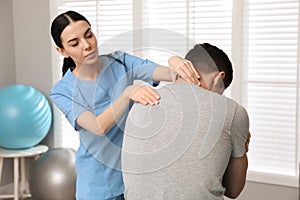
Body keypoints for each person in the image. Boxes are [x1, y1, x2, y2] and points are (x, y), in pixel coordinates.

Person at [49, 10, 200, 200]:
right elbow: (98, 126)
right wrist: (128, 93)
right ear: (62, 51)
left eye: (89, 35)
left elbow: (173, 75)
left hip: (135, 179)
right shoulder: (62, 91)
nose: (87, 45)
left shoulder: (120, 61)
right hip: (98, 187)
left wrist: (175, 61)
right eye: (75, 43)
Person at [122, 43, 249, 200]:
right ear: (219, 78)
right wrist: (241, 150)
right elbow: (233, 191)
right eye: (220, 92)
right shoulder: (232, 111)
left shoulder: (141, 102)